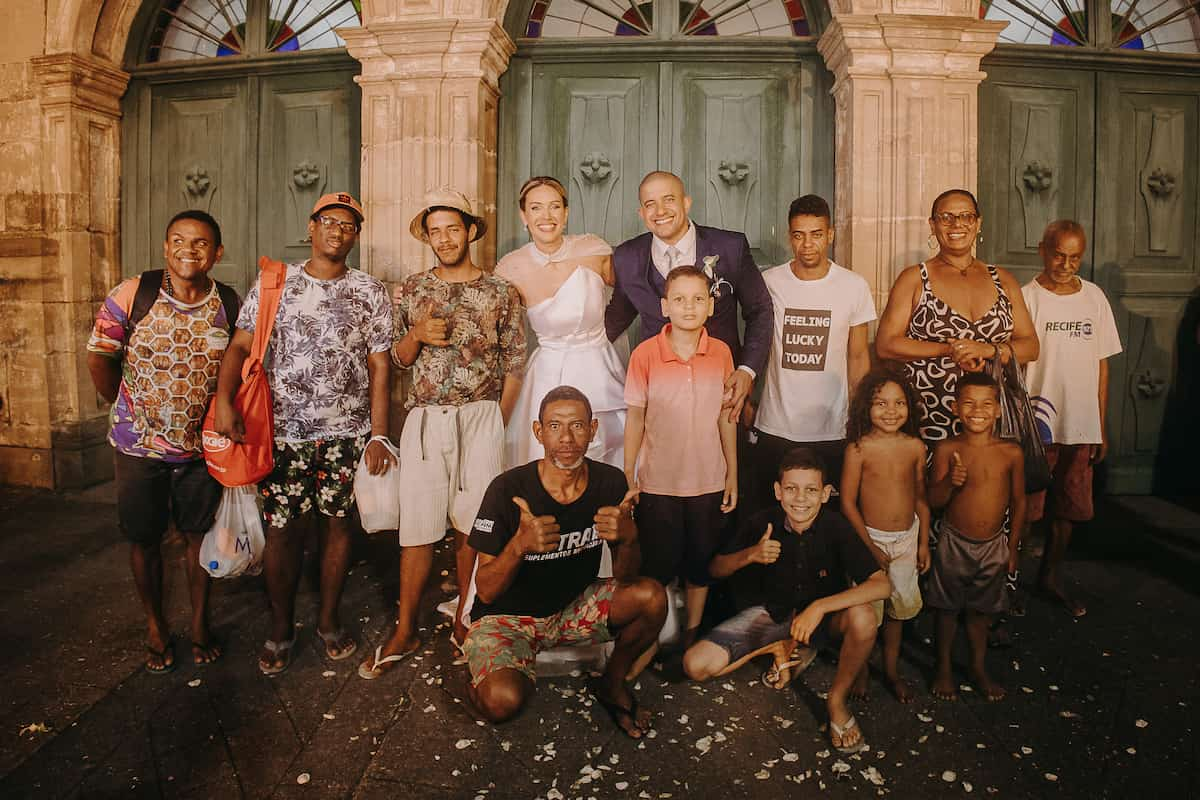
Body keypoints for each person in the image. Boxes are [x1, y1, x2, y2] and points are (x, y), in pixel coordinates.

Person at [213, 192, 395, 675]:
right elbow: (240, 346)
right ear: (311, 227)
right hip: (285, 433)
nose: (338, 230)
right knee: (282, 531)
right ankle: (280, 627)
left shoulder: (370, 291)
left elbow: (380, 366)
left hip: (349, 434)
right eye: (329, 221)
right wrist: (226, 403)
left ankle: (329, 620)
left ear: (357, 236)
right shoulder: (276, 282)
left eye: (349, 225)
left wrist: (378, 434)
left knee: (338, 526)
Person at [358, 188, 526, 679]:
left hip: (482, 417)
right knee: (418, 526)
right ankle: (406, 627)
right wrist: (416, 336)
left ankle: (464, 619)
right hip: (427, 419)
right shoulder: (411, 289)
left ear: (471, 231)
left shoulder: (501, 291)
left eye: (454, 228)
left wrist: (498, 417)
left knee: (474, 524)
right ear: (428, 237)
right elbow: (397, 359)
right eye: (436, 231)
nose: (445, 238)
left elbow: (515, 362)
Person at [464, 386, 667, 737]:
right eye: (555, 426)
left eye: (576, 426)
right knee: (502, 701)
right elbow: (486, 589)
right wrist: (519, 546)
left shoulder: (609, 482)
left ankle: (612, 684)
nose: (567, 438)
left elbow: (626, 577)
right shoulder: (507, 488)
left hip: (571, 608)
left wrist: (629, 535)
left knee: (652, 597)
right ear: (538, 432)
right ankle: (489, 673)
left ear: (593, 429)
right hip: (508, 619)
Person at [87, 210, 239, 673]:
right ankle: (155, 623)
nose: (187, 250)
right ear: (164, 247)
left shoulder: (228, 303)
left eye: (199, 243)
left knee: (200, 540)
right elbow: (100, 356)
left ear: (217, 253)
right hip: (138, 450)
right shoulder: (133, 294)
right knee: (144, 539)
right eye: (178, 240)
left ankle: (198, 624)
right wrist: (124, 407)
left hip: (200, 451)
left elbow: (239, 367)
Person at [682, 448, 890, 754]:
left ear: (825, 494)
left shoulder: (836, 526)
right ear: (778, 491)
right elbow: (714, 569)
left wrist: (820, 607)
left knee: (864, 616)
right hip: (772, 615)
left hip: (821, 622)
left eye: (811, 490)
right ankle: (777, 647)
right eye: (791, 489)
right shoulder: (761, 522)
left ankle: (836, 701)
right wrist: (750, 555)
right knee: (694, 665)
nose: (800, 499)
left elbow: (882, 586)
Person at [624, 265, 737, 651]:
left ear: (710, 306)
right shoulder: (645, 354)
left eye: (698, 299)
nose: (689, 307)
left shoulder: (721, 353)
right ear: (664, 305)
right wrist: (629, 473)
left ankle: (691, 635)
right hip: (659, 482)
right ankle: (652, 637)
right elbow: (635, 417)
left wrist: (732, 474)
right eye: (679, 299)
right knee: (658, 565)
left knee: (700, 565)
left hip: (708, 480)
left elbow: (727, 418)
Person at [605, 170, 773, 424]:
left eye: (669, 199)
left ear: (686, 202)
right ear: (641, 213)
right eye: (650, 204)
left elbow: (759, 309)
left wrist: (747, 370)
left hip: (722, 387)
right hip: (658, 391)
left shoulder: (730, 247)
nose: (660, 211)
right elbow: (616, 319)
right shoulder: (627, 257)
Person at [875, 189, 1039, 445]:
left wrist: (985, 350)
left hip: (989, 414)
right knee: (933, 481)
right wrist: (949, 350)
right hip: (928, 412)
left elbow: (1030, 346)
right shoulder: (915, 278)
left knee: (988, 481)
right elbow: (886, 344)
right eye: (946, 217)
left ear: (978, 223)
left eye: (966, 217)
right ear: (932, 224)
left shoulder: (1003, 280)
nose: (957, 224)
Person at [1021, 220, 1121, 618]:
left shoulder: (1094, 298)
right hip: (1037, 424)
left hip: (1079, 424)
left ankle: (1050, 576)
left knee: (1070, 506)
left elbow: (1102, 366)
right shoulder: (1027, 298)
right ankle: (1008, 581)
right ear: (1043, 250)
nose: (1065, 264)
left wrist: (1099, 424)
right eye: (1059, 254)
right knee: (1026, 507)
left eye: (1074, 257)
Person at [747, 194, 873, 502]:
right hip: (775, 426)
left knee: (828, 517)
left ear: (829, 235)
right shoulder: (769, 282)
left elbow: (858, 357)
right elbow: (756, 343)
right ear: (790, 236)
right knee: (772, 515)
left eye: (816, 235)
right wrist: (748, 398)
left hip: (833, 428)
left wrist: (860, 419)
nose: (807, 244)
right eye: (799, 235)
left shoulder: (854, 286)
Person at [496, 176, 626, 469]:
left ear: (566, 213)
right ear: (523, 216)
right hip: (547, 372)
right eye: (536, 208)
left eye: (555, 207)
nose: (547, 216)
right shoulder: (509, 268)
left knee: (606, 450)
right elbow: (488, 315)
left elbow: (634, 292)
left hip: (599, 366)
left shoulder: (594, 250)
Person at [926, 372, 1025, 701]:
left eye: (986, 404)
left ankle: (978, 668)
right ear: (955, 408)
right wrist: (950, 483)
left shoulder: (1011, 453)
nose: (977, 410)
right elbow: (934, 502)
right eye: (968, 403)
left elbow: (1019, 501)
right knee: (947, 610)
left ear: (998, 410)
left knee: (980, 613)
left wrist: (1012, 547)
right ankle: (942, 667)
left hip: (994, 545)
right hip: (953, 543)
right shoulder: (947, 449)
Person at [840, 368, 931, 703]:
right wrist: (868, 548)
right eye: (881, 403)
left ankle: (891, 671)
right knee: (867, 612)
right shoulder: (859, 449)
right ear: (866, 407)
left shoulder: (915, 447)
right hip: (870, 539)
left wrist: (923, 543)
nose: (891, 411)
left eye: (899, 403)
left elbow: (920, 499)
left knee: (898, 612)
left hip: (907, 540)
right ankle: (861, 671)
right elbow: (848, 503)